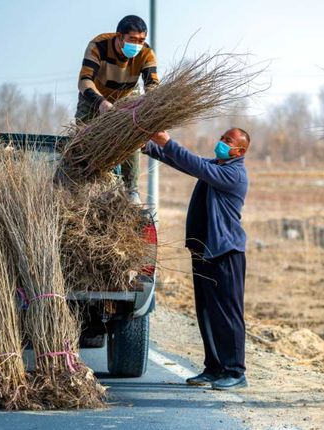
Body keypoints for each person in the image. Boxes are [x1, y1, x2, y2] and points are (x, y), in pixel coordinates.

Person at [143, 128, 250, 390]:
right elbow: (186, 163)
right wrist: (149, 147)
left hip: (226, 253)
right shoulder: (215, 165)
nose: (222, 143)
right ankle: (214, 368)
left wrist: (167, 141)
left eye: (228, 141)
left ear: (240, 151)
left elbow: (193, 163)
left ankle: (236, 371)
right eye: (222, 137)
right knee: (206, 312)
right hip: (204, 251)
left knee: (228, 314)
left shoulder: (233, 174)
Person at [76, 15, 159, 203]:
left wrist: (149, 114)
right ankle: (81, 184)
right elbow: (84, 81)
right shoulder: (98, 46)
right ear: (119, 36)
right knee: (82, 139)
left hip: (126, 95)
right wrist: (101, 103)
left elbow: (152, 85)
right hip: (95, 96)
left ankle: (131, 191)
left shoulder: (146, 53)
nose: (137, 45)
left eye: (141, 40)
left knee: (131, 137)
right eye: (132, 40)